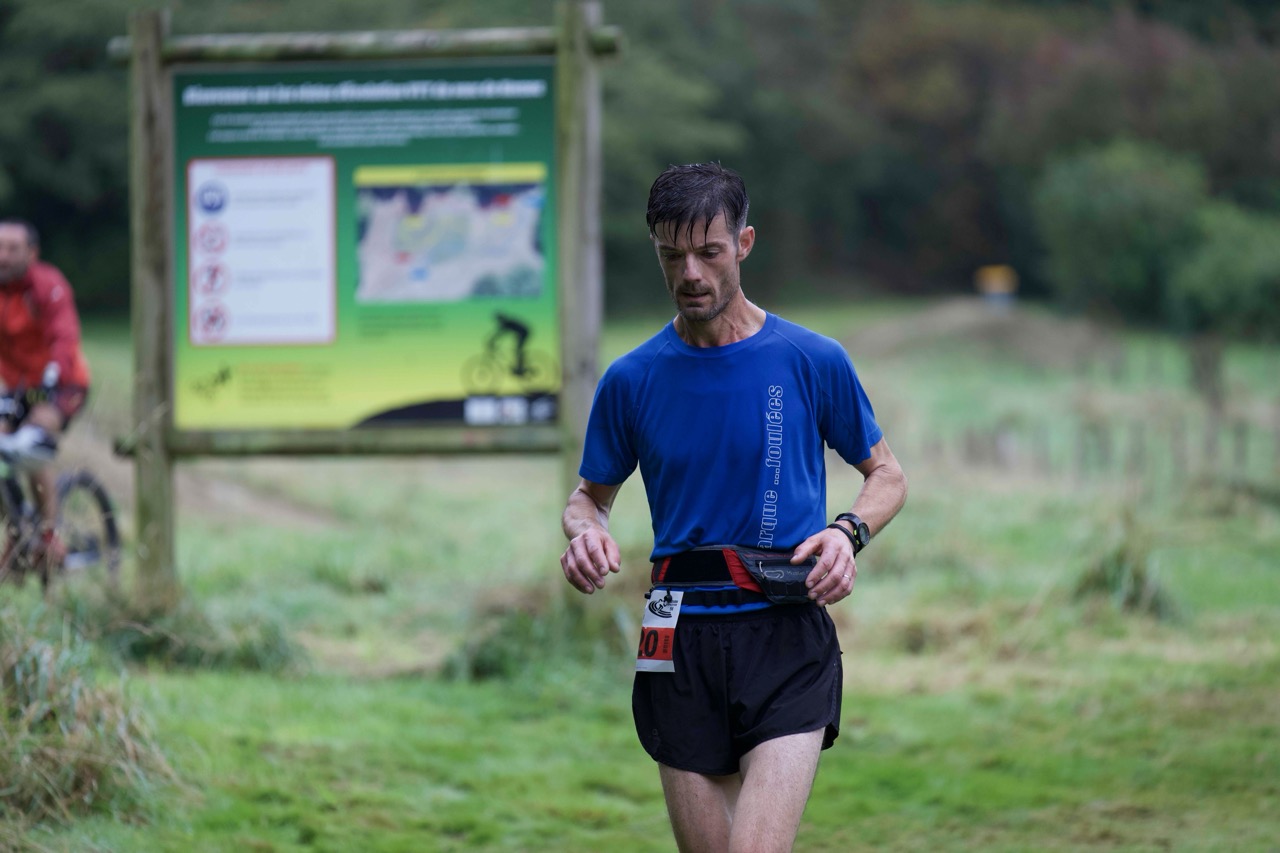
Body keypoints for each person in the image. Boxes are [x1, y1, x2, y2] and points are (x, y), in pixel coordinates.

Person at [559, 163, 907, 852]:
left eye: (708, 252)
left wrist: (847, 533)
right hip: (675, 637)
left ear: (744, 243)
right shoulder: (631, 379)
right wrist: (585, 533)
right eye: (672, 255)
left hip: (784, 633)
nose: (690, 272)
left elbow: (887, 476)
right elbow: (588, 499)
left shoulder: (811, 359)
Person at [0, 218, 92, 575]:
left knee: (34, 438)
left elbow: (64, 335)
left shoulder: (47, 286)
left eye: (13, 249)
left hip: (61, 382)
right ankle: (16, 530)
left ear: (32, 253)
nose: (3, 256)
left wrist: (54, 375)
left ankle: (49, 534)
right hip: (15, 385)